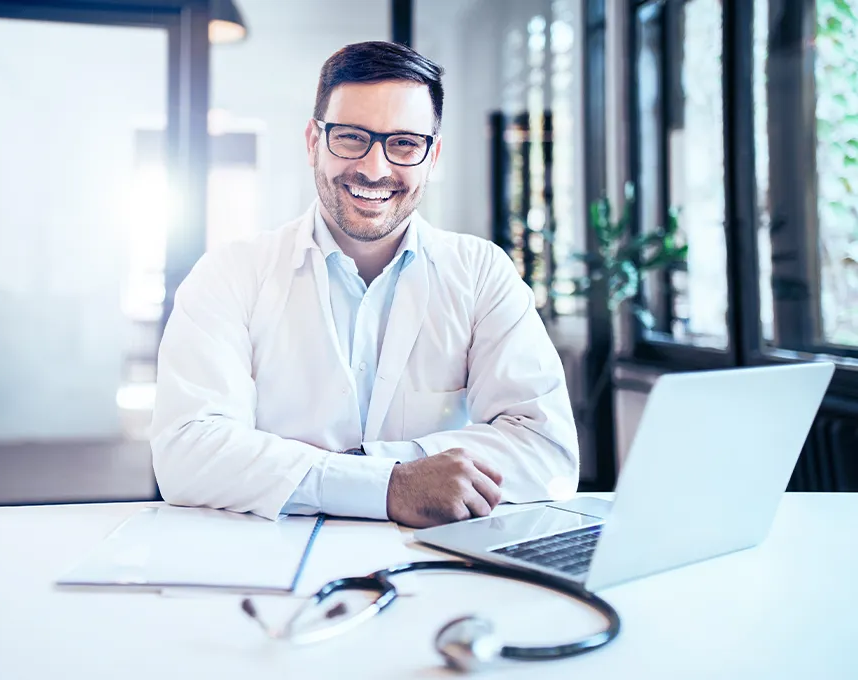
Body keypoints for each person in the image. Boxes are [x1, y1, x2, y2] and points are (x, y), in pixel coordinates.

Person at [150, 41, 579, 528]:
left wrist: (338, 467)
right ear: (314, 141)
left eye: (403, 144)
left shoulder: (482, 273)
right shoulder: (230, 273)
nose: (374, 169)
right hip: (269, 557)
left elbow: (546, 453)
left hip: (437, 566)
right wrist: (392, 483)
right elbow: (186, 452)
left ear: (431, 156)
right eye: (352, 137)